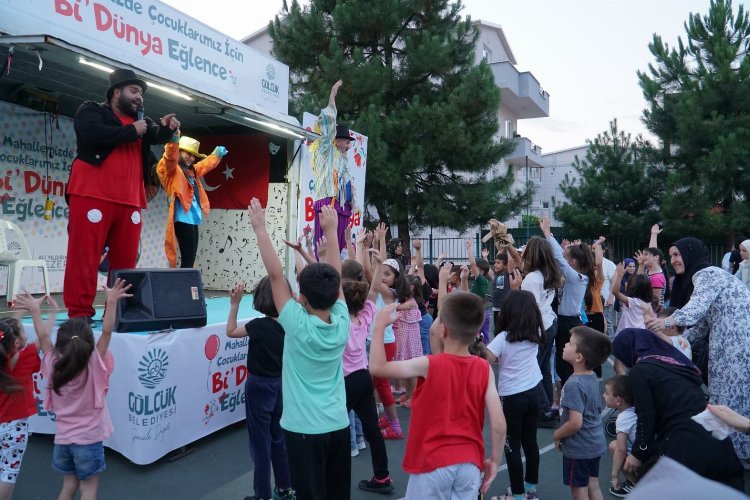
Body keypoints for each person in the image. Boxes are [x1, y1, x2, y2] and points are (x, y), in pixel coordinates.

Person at [248, 198, 350, 499]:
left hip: (304, 431)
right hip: (338, 426)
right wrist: (332, 233)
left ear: (301, 297)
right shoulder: (342, 321)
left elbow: (276, 276)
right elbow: (337, 278)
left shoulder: (296, 324)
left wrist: (260, 230)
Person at [64, 68, 179, 320]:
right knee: (84, 257)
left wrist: (167, 128)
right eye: (134, 91)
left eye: (141, 93)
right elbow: (90, 133)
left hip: (130, 200)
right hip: (92, 194)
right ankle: (79, 314)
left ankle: (117, 312)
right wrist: (132, 131)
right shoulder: (92, 109)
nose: (140, 97)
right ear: (117, 92)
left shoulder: (143, 122)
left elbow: (157, 135)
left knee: (126, 264)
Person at [369, 287, 506, 499]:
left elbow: (378, 368)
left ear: (443, 330)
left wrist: (378, 326)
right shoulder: (484, 368)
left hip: (432, 463)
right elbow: (498, 424)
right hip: (469, 463)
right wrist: (495, 460)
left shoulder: (428, 364)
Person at [645, 237, 750, 462]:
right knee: (724, 395)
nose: (672, 260)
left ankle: (737, 456)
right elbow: (700, 326)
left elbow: (694, 310)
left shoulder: (708, 274)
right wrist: (675, 343)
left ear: (690, 253)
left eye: (677, 254)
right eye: (671, 255)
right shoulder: (704, 278)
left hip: (737, 344)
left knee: (733, 399)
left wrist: (663, 323)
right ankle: (726, 452)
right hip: (726, 343)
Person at [612, 328, 745, 491]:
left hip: (685, 444)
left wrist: (638, 453)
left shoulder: (640, 371)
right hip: (716, 436)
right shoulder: (676, 363)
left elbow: (646, 416)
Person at [41, 279, 131, 500]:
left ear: (60, 345)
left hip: (62, 441)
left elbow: (43, 337)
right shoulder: (94, 364)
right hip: (88, 442)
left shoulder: (53, 364)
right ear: (89, 344)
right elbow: (107, 333)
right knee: (89, 489)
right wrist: (111, 301)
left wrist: (36, 311)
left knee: (68, 486)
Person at [226, 278, 294, 500]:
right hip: (281, 385)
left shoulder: (257, 326)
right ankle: (285, 487)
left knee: (260, 443)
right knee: (279, 438)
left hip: (259, 387)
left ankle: (262, 495)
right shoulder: (290, 326)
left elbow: (231, 331)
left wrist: (234, 305)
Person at [339, 249, 394, 494]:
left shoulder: (338, 320)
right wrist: (380, 264)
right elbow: (371, 291)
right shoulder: (365, 315)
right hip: (363, 378)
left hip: (345, 382)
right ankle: (382, 477)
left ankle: (334, 482)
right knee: (373, 431)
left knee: (336, 431)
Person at [485, 290, 544, 500]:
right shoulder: (535, 332)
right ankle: (530, 490)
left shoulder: (503, 338)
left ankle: (517, 495)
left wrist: (476, 344)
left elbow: (486, 359)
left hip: (512, 397)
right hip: (533, 392)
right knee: (530, 442)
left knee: (512, 447)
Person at [0, 293, 56, 500]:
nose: (25, 333)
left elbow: (7, 332)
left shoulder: (5, 357)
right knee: (8, 473)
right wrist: (47, 312)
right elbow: (44, 337)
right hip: (14, 427)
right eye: (23, 331)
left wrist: (23, 310)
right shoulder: (24, 358)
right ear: (16, 343)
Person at [552, 326, 611, 500]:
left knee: (579, 490)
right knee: (593, 486)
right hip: (595, 443)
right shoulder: (591, 376)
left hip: (580, 448)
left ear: (579, 357)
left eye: (570, 343)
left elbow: (575, 423)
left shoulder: (574, 385)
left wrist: (557, 434)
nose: (565, 345)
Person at [157, 133, 228, 268]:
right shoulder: (172, 169)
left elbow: (205, 165)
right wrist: (173, 140)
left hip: (193, 219)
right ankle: (185, 286)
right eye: (187, 153)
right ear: (179, 151)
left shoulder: (192, 171)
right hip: (183, 219)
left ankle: (187, 285)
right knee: (188, 260)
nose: (190, 157)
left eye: (193, 155)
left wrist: (217, 154)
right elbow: (170, 157)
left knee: (190, 258)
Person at [510, 236, 561, 425]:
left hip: (539, 326)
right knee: (544, 368)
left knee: (534, 369)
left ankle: (544, 411)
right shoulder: (549, 274)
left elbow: (530, 307)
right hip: (550, 322)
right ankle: (548, 406)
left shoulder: (532, 278)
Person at [540, 215, 595, 387]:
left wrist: (548, 233)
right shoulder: (573, 275)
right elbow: (558, 260)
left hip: (570, 323)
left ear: (573, 262)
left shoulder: (579, 278)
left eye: (567, 257)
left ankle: (571, 399)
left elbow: (558, 258)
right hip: (563, 321)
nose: (563, 258)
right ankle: (565, 400)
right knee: (561, 362)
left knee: (567, 365)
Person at [309, 80, 355, 254]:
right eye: (345, 140)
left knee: (341, 248)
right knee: (325, 246)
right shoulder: (327, 151)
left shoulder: (344, 160)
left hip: (343, 206)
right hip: (328, 202)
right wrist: (332, 96)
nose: (348, 144)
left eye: (349, 142)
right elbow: (328, 129)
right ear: (336, 141)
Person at [602, 376, 636, 497]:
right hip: (655, 456)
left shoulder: (623, 418)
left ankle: (633, 483)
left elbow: (621, 450)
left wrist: (614, 476)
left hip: (643, 462)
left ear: (618, 401)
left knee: (614, 446)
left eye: (606, 393)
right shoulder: (636, 410)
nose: (603, 396)